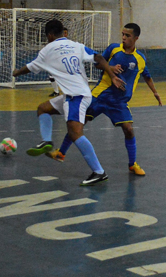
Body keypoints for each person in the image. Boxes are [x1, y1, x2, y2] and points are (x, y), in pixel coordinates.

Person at [12, 19, 125, 186]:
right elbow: (99, 58)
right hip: (75, 95)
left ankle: (99, 172)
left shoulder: (47, 50)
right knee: (43, 108)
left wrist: (16, 72)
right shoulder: (76, 45)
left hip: (76, 97)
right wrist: (112, 74)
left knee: (75, 133)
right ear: (62, 32)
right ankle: (47, 141)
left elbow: (29, 68)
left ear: (49, 35)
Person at [46, 23, 162, 177]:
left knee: (128, 130)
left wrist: (155, 92)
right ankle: (61, 153)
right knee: (78, 125)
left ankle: (132, 164)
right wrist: (111, 69)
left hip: (119, 102)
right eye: (122, 34)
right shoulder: (114, 49)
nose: (123, 38)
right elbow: (98, 63)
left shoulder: (140, 59)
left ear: (136, 38)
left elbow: (146, 75)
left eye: (127, 36)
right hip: (99, 96)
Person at [48, 28, 69, 97]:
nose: (64, 34)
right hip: (57, 62)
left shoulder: (69, 43)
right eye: (63, 33)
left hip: (66, 63)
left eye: (66, 33)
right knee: (51, 76)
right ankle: (56, 91)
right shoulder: (55, 43)